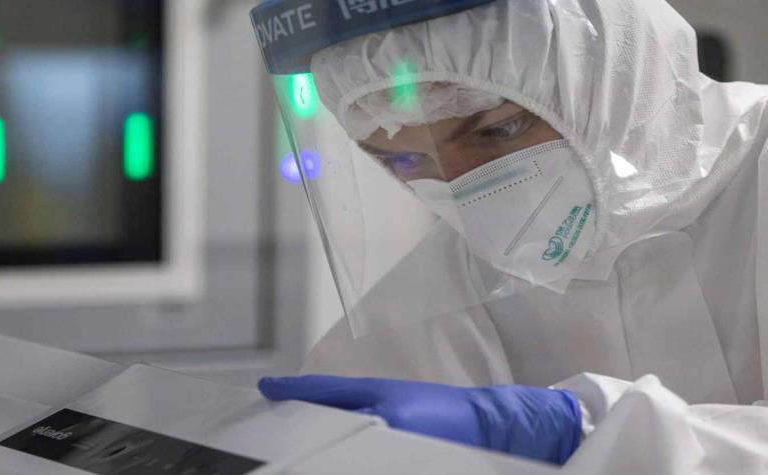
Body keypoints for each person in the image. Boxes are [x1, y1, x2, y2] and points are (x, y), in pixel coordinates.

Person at [250, 0, 768, 471]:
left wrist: (577, 430)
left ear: (616, 78)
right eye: (406, 160)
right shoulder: (451, 275)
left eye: (498, 130)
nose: (464, 188)